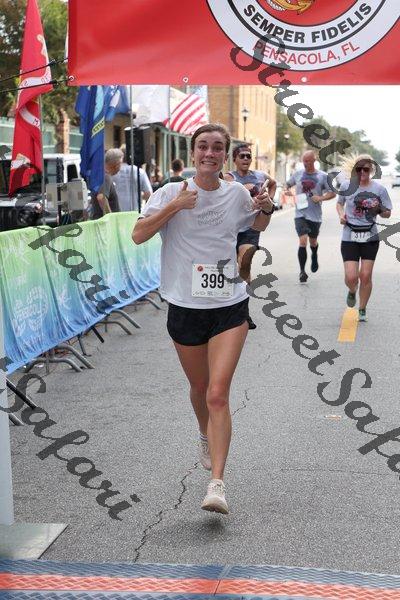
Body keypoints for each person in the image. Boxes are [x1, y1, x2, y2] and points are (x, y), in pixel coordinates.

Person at [132, 124, 274, 514]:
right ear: (193, 153)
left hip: (229, 305)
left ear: (225, 155)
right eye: (203, 147)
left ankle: (217, 485)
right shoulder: (168, 192)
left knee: (217, 393)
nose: (209, 153)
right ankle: (203, 433)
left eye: (216, 148)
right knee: (199, 388)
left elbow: (256, 224)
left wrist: (265, 207)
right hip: (185, 306)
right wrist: (175, 206)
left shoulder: (236, 193)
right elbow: (138, 235)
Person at [225, 144, 276, 329]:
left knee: (245, 263)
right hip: (231, 228)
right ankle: (229, 308)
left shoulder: (260, 176)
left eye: (248, 156)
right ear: (235, 159)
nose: (246, 159)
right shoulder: (228, 178)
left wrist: (269, 200)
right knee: (230, 268)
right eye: (242, 156)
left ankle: (244, 312)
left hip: (251, 227)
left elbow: (273, 183)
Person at [336, 154, 392, 322]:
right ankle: (352, 290)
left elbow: (387, 213)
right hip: (349, 235)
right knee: (351, 277)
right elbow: (339, 203)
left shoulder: (379, 189)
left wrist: (378, 208)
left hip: (370, 236)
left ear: (371, 170)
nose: (362, 172)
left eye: (366, 169)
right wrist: (341, 215)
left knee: (365, 275)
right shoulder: (346, 186)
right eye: (358, 169)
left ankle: (362, 308)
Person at [285, 150, 336, 283]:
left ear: (314, 160)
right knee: (303, 241)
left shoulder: (323, 176)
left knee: (313, 241)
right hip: (300, 214)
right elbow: (287, 184)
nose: (306, 163)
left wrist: (320, 198)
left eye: (308, 161)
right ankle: (302, 271)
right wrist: (287, 190)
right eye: (304, 161)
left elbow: (332, 193)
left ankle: (314, 254)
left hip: (315, 215)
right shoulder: (298, 174)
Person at [111, 145, 152, 211]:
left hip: (116, 212)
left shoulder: (113, 171)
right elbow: (149, 194)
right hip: (135, 211)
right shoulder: (139, 172)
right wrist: (139, 195)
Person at [91, 148, 122, 219]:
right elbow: (101, 197)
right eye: (121, 163)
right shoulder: (106, 177)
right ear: (117, 164)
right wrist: (110, 218)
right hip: (104, 223)